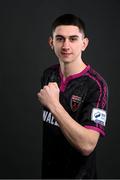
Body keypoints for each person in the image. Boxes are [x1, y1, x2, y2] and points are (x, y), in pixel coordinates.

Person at [37, 14, 108, 179]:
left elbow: (87, 145)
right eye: (60, 39)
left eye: (73, 39)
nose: (66, 46)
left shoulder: (96, 85)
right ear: (51, 43)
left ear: (84, 44)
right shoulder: (48, 75)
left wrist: (54, 105)